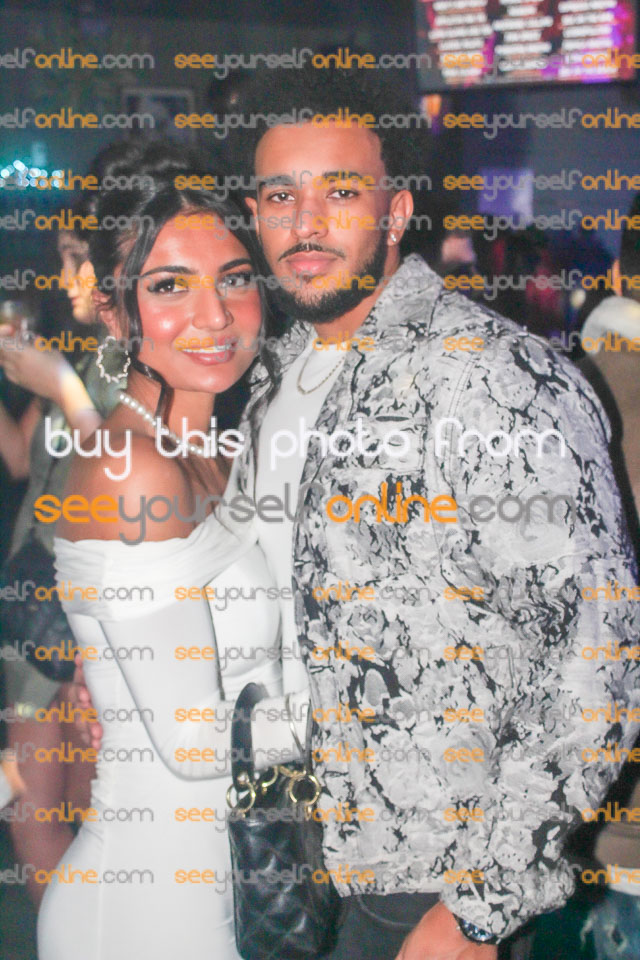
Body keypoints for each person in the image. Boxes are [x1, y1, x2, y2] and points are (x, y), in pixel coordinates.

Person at [220, 63, 640, 959]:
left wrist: (480, 906)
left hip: (427, 880)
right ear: (254, 214)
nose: (306, 222)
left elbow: (597, 657)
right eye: (281, 195)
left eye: (340, 192)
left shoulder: (493, 378)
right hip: (289, 855)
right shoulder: (269, 378)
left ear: (397, 211)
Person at [37, 172, 307, 960]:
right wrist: (376, 709)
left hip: (232, 885)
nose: (214, 316)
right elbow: (193, 744)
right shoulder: (131, 466)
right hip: (147, 908)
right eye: (169, 286)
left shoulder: (217, 453)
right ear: (115, 312)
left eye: (235, 278)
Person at [0, 226, 114, 907]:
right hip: (34, 609)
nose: (66, 276)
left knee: (88, 814)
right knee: (29, 812)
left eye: (79, 258)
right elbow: (19, 460)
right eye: (64, 258)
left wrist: (66, 387)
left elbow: (129, 486)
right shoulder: (78, 355)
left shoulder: (136, 369)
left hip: (90, 616)